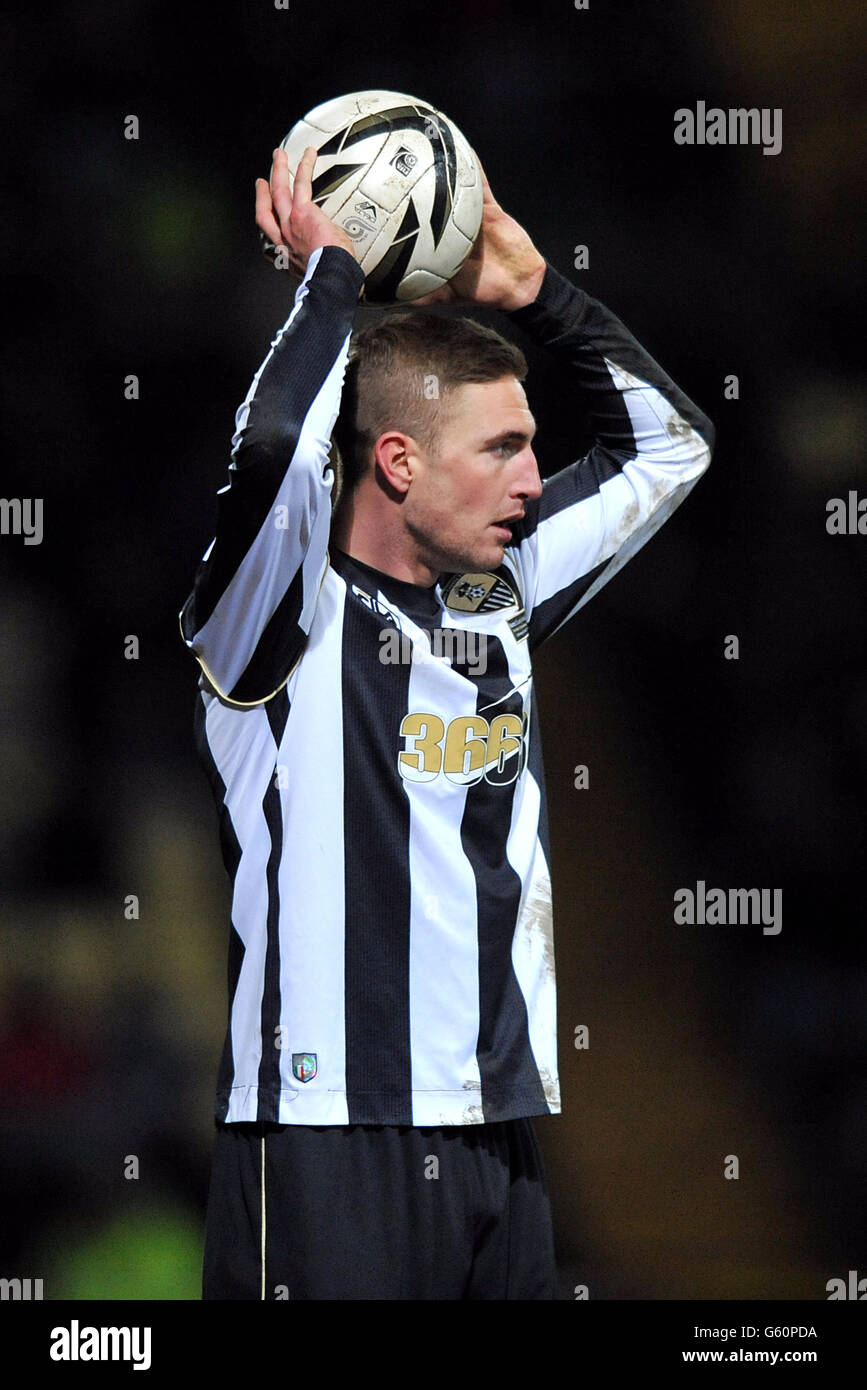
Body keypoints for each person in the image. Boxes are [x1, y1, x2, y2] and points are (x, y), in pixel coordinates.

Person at [180, 143, 714, 1300]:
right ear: (399, 460)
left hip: (498, 1130)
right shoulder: (281, 614)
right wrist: (331, 278)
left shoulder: (502, 596)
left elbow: (671, 444)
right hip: (326, 1135)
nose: (535, 479)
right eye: (505, 448)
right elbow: (274, 450)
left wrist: (538, 293)